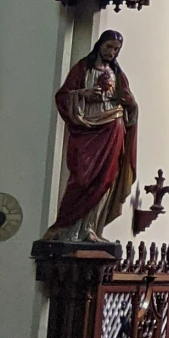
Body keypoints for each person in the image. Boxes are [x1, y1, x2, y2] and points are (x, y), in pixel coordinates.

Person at [44, 30, 138, 243]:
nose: (112, 52)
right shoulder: (82, 69)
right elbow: (62, 97)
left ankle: (91, 229)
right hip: (87, 130)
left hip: (113, 129)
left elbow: (129, 105)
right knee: (83, 178)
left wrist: (132, 105)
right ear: (99, 45)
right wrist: (83, 94)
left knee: (106, 178)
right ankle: (65, 227)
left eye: (116, 49)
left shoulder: (118, 74)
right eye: (108, 47)